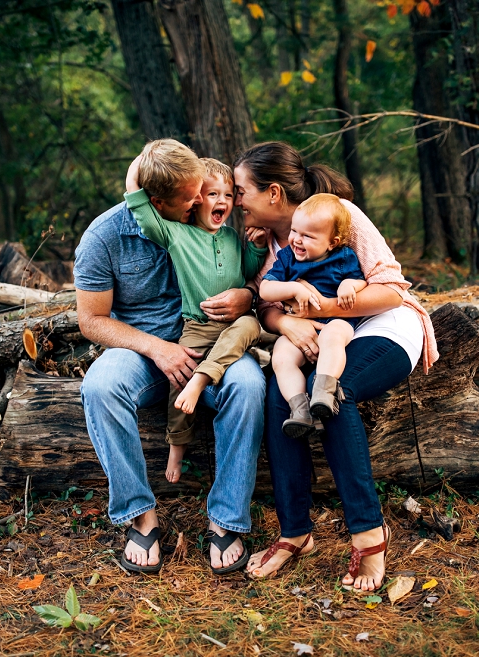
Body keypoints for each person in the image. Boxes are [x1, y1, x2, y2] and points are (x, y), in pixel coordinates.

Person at [235, 141, 439, 592]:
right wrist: (289, 323)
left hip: (382, 324)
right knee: (281, 395)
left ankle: (369, 534)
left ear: (272, 194)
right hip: (322, 333)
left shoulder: (338, 214)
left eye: (239, 190)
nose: (234, 201)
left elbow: (389, 290)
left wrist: (317, 308)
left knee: (334, 393)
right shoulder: (272, 243)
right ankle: (295, 531)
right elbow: (268, 307)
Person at [74, 139, 264, 576]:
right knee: (100, 387)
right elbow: (91, 321)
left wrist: (246, 295)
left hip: (211, 343)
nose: (203, 200)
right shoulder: (105, 237)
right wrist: (156, 348)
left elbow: (258, 269)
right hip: (144, 348)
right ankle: (140, 512)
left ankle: (226, 517)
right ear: (156, 202)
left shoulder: (215, 227)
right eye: (192, 197)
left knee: (250, 386)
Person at [124, 150, 268, 487]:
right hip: (198, 327)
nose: (223, 201)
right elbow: (143, 212)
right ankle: (177, 445)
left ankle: (203, 379)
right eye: (213, 194)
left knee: (250, 324)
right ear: (196, 199)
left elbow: (246, 271)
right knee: (178, 379)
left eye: (229, 195)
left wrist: (257, 248)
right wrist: (135, 174)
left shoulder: (233, 238)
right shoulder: (177, 234)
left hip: (236, 325)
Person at [259, 194, 368, 437]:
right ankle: (300, 409)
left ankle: (324, 392)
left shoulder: (343, 256)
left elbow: (359, 280)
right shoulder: (287, 257)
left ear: (332, 242)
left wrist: (348, 286)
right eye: (294, 231)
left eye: (307, 236)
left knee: (333, 336)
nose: (297, 239)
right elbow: (266, 289)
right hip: (300, 326)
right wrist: (294, 288)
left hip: (337, 321)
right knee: (281, 356)